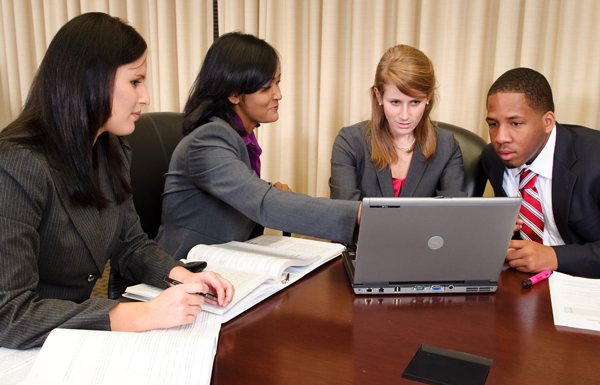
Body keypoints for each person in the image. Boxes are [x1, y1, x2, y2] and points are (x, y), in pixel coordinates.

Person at [0, 13, 233, 350]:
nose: (146, 97)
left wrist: (184, 276)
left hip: (76, 336)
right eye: (135, 82)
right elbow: (9, 315)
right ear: (89, 82)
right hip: (22, 349)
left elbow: (130, 244)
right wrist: (142, 315)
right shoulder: (16, 164)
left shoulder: (110, 148)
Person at [155, 32, 361, 260]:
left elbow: (242, 192)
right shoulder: (208, 140)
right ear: (234, 94)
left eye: (277, 83)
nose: (279, 95)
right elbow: (263, 203)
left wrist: (268, 188)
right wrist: (358, 213)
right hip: (186, 270)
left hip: (227, 261)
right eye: (266, 88)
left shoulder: (240, 137)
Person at [482, 67, 600, 278]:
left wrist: (554, 257)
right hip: (522, 280)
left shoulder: (594, 158)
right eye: (493, 124)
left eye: (515, 123)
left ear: (547, 122)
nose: (500, 138)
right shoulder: (492, 158)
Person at [329, 44, 466, 201]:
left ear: (428, 97)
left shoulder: (447, 145)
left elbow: (453, 216)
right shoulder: (349, 142)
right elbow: (345, 213)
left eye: (415, 102)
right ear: (379, 96)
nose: (405, 115)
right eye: (395, 102)